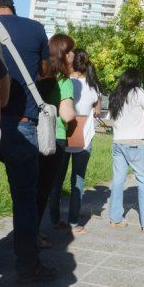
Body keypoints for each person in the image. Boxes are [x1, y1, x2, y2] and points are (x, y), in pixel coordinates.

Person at [0, 0, 57, 282]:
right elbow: (44, 71)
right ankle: (28, 266)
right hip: (25, 125)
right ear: (12, 3)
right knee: (25, 201)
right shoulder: (36, 28)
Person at [36, 34, 76, 245]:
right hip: (56, 137)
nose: (72, 56)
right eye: (69, 51)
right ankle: (33, 234)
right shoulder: (65, 80)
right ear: (62, 54)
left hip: (37, 135)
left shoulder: (42, 74)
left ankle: (28, 230)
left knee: (32, 186)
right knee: (44, 189)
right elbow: (67, 114)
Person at [108, 68, 144, 231]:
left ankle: (116, 219)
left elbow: (112, 117)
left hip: (118, 142)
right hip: (135, 143)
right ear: (137, 80)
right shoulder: (138, 92)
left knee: (118, 181)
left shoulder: (116, 94)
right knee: (143, 181)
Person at [60, 49, 102, 233]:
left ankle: (54, 219)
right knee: (78, 179)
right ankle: (73, 223)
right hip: (83, 135)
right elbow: (98, 111)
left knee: (56, 179)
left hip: (63, 132)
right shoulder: (94, 86)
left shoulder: (63, 81)